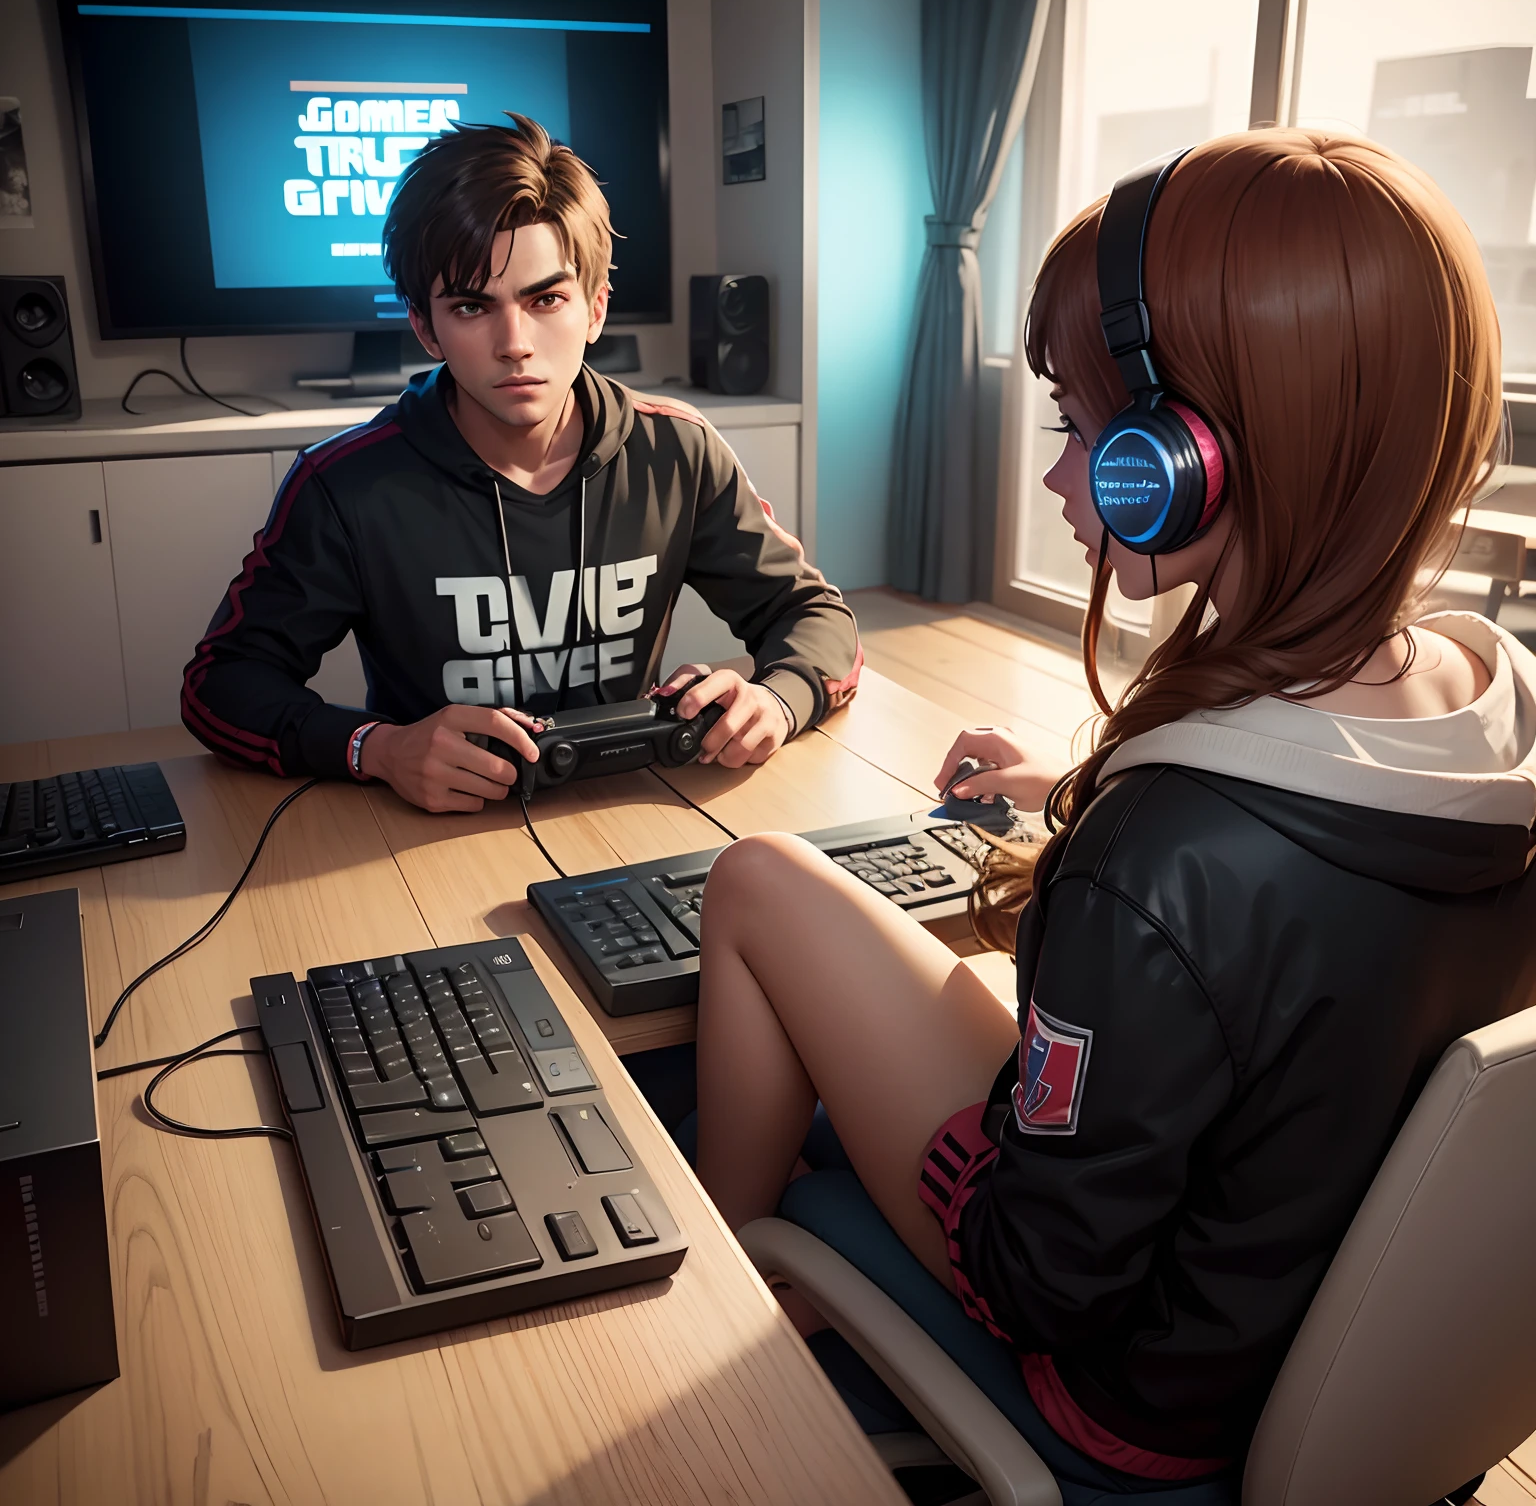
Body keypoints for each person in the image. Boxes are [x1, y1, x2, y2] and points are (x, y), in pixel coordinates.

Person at [692, 128, 1536, 1490]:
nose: (1056, 480)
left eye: (1081, 432)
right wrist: (1079, 789)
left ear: (1183, 459)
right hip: (1317, 1333)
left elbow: (1042, 1283)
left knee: (759, 886)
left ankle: (721, 1329)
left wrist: (1094, 884)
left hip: (1128, 1408)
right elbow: (1313, 882)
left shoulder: (1163, 865)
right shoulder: (1487, 705)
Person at [182, 114, 861, 811]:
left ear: (595, 309)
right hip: (430, 833)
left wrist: (778, 700)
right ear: (425, 327)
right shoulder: (344, 485)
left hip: (629, 811)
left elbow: (813, 614)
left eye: (546, 300)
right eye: (473, 306)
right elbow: (221, 686)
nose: (515, 343)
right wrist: (378, 749)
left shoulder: (677, 451)